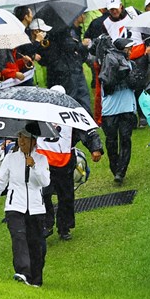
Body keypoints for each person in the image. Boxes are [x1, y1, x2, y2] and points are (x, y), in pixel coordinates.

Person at [0, 123, 50, 287]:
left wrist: (33, 166)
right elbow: (1, 181)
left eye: (25, 138)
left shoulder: (42, 159)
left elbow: (44, 182)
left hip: (36, 209)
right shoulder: (10, 158)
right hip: (15, 206)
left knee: (37, 245)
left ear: (34, 141)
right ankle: (22, 272)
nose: (21, 141)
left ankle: (35, 280)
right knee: (19, 238)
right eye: (19, 137)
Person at [38, 85, 103, 241]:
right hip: (43, 162)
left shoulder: (73, 113)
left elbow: (88, 130)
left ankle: (64, 227)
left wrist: (96, 148)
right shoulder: (39, 112)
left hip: (65, 162)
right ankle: (46, 224)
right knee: (43, 194)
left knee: (66, 196)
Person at [99, 38, 139, 184]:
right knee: (111, 142)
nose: (130, 51)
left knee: (125, 139)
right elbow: (107, 85)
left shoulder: (132, 64)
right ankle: (115, 167)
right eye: (128, 48)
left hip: (127, 108)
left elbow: (135, 84)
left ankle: (120, 172)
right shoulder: (108, 64)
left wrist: (128, 74)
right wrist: (117, 73)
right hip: (110, 111)